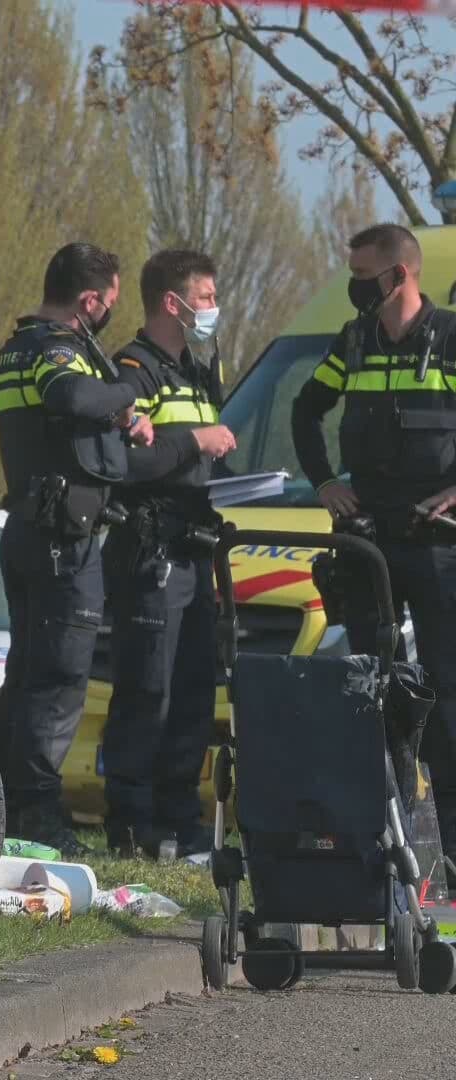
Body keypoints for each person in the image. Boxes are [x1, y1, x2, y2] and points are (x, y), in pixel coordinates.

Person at [292, 222, 456, 885]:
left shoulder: (448, 339)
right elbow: (307, 411)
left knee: (446, 694)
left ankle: (449, 849)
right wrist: (326, 483)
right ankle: (381, 844)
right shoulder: (354, 342)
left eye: (362, 275)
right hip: (368, 543)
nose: (354, 286)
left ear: (399, 276)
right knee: (368, 685)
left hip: (438, 547)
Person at [0, 242, 155, 855]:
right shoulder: (54, 348)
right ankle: (34, 814)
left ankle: (0, 806)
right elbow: (70, 397)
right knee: (56, 681)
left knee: (26, 675)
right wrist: (128, 392)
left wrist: (116, 417)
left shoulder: (17, 346)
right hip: (62, 540)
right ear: (90, 300)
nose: (110, 313)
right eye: (109, 303)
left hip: (34, 532)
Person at [101, 249, 238, 859]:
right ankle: (133, 828)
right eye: (205, 298)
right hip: (149, 549)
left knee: (190, 694)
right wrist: (194, 441)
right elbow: (124, 463)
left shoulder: (198, 372)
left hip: (194, 549)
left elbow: (204, 461)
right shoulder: (132, 371)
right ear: (171, 303)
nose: (213, 309)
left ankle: (183, 828)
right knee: (146, 691)